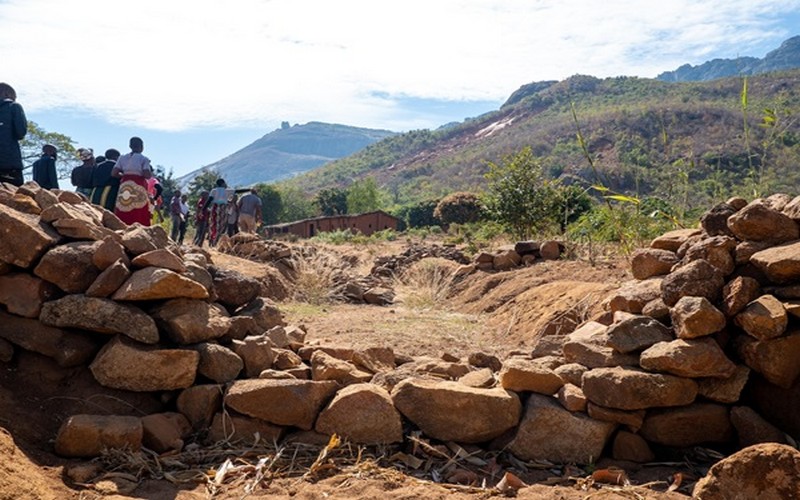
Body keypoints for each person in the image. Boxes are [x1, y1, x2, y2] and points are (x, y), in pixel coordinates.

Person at [113, 137, 152, 226]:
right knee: (138, 206)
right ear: (142, 147)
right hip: (138, 183)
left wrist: (124, 176)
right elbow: (147, 175)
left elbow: (114, 173)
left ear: (130, 146)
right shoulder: (144, 159)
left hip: (125, 184)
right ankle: (138, 226)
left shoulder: (122, 158)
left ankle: (120, 225)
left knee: (123, 205)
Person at [0, 83, 27, 187]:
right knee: (14, 198)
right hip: (10, 164)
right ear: (7, 93)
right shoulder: (14, 107)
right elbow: (21, 132)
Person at [208, 178, 231, 246]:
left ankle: (212, 241)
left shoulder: (214, 190)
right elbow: (238, 191)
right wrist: (249, 190)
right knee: (221, 226)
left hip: (214, 208)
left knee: (213, 224)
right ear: (222, 184)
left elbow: (209, 200)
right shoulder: (227, 191)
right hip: (222, 208)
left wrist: (203, 208)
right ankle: (216, 242)